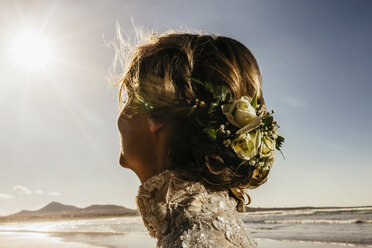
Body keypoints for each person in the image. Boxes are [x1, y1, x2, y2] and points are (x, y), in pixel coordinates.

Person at [116, 31, 284, 247]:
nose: (121, 116)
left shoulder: (192, 239)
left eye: (129, 98)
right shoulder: (205, 227)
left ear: (155, 118)